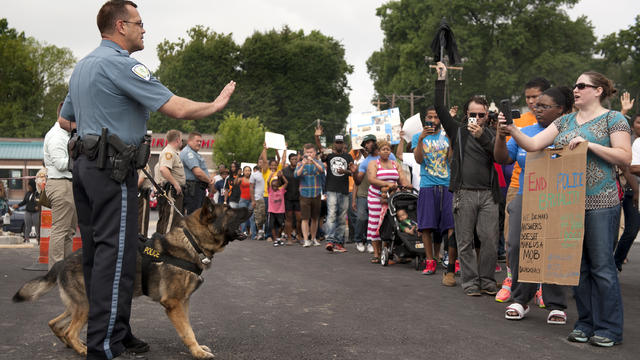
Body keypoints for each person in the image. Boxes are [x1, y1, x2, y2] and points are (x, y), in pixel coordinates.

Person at [57, 2, 235, 358]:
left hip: (86, 167)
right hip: (111, 170)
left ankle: (117, 333)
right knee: (116, 255)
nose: (144, 29)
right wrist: (215, 105)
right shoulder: (121, 64)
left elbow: (65, 121)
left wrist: (98, 130)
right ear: (120, 26)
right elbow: (178, 108)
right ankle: (103, 345)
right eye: (139, 23)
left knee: (101, 254)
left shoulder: (83, 67)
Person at [503, 71, 630, 347]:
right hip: (569, 204)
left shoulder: (614, 119)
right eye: (575, 85)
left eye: (582, 86)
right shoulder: (565, 121)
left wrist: (591, 145)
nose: (576, 89)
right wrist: (512, 131)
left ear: (598, 91)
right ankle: (585, 323)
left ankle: (609, 328)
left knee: (602, 267)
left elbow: (624, 157)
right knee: (579, 269)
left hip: (602, 203)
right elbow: (535, 144)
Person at [495, 86, 575, 324]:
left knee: (553, 248)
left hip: (560, 198)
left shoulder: (572, 132)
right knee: (519, 245)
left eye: (544, 106)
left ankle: (556, 304)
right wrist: (501, 134)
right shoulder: (525, 131)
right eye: (536, 105)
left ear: (561, 110)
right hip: (526, 195)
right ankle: (521, 300)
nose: (537, 109)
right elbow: (501, 159)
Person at [434, 62, 501, 296]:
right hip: (464, 193)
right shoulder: (458, 131)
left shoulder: (492, 133)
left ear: (487, 116)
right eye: (472, 114)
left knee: (490, 240)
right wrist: (441, 80)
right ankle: (470, 282)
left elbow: (499, 154)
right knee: (464, 241)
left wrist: (483, 135)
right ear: (466, 115)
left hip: (489, 194)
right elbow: (439, 108)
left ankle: (488, 280)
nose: (476, 118)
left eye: (481, 115)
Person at [498, 77, 551, 302]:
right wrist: (501, 134)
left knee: (541, 240)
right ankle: (511, 279)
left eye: (536, 97)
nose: (531, 102)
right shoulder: (519, 122)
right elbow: (504, 157)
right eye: (528, 97)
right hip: (518, 186)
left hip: (548, 190)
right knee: (513, 240)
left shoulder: (557, 123)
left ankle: (541, 285)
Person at [411, 106, 455, 280]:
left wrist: (451, 139)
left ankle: (451, 259)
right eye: (430, 117)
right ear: (425, 119)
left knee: (451, 226)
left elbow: (451, 159)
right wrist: (421, 139)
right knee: (426, 226)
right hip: (428, 185)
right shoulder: (418, 137)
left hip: (446, 184)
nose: (433, 120)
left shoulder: (446, 136)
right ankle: (430, 260)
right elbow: (418, 159)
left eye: (437, 117)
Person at [366, 139, 411, 263]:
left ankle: (388, 252)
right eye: (383, 149)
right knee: (375, 223)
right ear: (378, 151)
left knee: (391, 222)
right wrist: (388, 184)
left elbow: (402, 178)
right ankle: (376, 253)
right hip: (376, 196)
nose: (386, 151)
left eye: (388, 149)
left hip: (392, 196)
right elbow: (372, 179)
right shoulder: (373, 163)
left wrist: (408, 185)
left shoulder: (395, 163)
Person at [43, 106, 78, 266]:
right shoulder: (57, 136)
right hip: (61, 184)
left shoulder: (65, 135)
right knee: (60, 230)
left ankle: (65, 268)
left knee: (69, 231)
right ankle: (56, 269)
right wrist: (80, 159)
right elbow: (59, 163)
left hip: (67, 184)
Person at [316, 132, 354, 253]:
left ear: (343, 144)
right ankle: (330, 241)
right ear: (334, 143)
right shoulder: (329, 155)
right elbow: (321, 152)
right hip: (331, 189)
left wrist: (345, 171)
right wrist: (317, 137)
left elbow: (352, 172)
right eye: (337, 142)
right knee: (331, 215)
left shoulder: (348, 157)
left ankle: (338, 243)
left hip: (344, 190)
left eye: (340, 142)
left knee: (342, 218)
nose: (339, 144)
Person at [616, 93, 638, 272]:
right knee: (626, 228)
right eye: (637, 122)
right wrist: (623, 111)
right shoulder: (628, 140)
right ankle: (615, 261)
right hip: (626, 188)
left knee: (628, 228)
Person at [155, 129, 186, 234]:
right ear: (177, 140)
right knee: (170, 222)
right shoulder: (169, 152)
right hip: (172, 191)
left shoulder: (172, 152)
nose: (182, 142)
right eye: (181, 140)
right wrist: (176, 184)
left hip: (173, 191)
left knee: (169, 220)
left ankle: (162, 246)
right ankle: (165, 247)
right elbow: (163, 169)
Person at [295, 143, 325, 247]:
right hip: (304, 194)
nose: (309, 154)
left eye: (311, 152)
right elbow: (296, 175)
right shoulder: (299, 164)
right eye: (307, 152)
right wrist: (303, 164)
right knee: (305, 218)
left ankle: (313, 238)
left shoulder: (319, 163)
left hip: (316, 193)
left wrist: (313, 161)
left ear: (315, 152)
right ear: (304, 153)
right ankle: (306, 239)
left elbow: (322, 171)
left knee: (315, 218)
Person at [181, 131, 214, 215]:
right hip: (193, 190)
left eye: (200, 141)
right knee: (194, 217)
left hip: (197, 189)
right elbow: (198, 172)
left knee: (198, 215)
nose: (199, 143)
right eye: (197, 141)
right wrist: (209, 180)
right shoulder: (189, 153)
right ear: (189, 141)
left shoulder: (194, 153)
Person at [281, 152, 302, 245]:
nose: (294, 160)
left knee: (299, 219)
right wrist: (279, 176)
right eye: (292, 159)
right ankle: (289, 238)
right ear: (289, 160)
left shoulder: (300, 169)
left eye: (296, 159)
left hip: (299, 197)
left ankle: (299, 236)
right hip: (288, 197)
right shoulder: (285, 170)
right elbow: (280, 184)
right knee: (289, 219)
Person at [13, 179, 40, 243]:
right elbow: (24, 201)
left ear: (33, 186)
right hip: (28, 211)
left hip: (35, 212)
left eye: (29, 186)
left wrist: (38, 206)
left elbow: (39, 201)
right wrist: (18, 205)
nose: (28, 187)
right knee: (28, 226)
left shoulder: (37, 193)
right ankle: (26, 238)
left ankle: (38, 238)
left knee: (37, 226)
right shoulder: (28, 193)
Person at [267, 171, 288, 246]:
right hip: (272, 211)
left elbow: (286, 183)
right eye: (273, 186)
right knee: (272, 226)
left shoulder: (281, 190)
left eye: (276, 186)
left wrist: (282, 176)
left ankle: (278, 238)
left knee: (282, 225)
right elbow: (268, 182)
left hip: (280, 211)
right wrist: (270, 175)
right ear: (271, 186)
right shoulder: (270, 191)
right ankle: (275, 239)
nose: (275, 187)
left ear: (278, 185)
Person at [250, 165, 267, 240]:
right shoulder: (254, 175)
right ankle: (260, 232)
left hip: (268, 197)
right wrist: (253, 200)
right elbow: (251, 188)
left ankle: (265, 232)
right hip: (258, 198)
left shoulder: (267, 172)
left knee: (265, 216)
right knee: (258, 216)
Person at [137, 165, 152, 237]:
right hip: (142, 194)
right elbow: (141, 179)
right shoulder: (143, 163)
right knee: (142, 220)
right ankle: (141, 241)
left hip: (137, 194)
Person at [237, 166, 253, 233]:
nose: (247, 172)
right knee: (243, 216)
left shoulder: (253, 179)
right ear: (243, 172)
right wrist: (238, 175)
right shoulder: (241, 179)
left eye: (249, 170)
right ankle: (242, 232)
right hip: (243, 199)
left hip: (251, 200)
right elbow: (235, 183)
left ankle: (253, 234)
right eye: (246, 170)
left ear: (250, 172)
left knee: (251, 217)